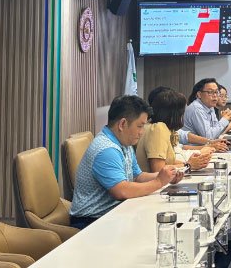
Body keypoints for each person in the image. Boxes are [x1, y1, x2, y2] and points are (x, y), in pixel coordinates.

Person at [70, 95, 181, 229]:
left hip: (113, 213)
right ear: (122, 124)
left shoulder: (124, 142)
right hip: (90, 221)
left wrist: (166, 176)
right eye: (139, 126)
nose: (142, 132)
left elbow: (137, 176)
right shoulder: (107, 150)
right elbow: (122, 191)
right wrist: (158, 182)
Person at [137, 87, 212, 173]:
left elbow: (168, 161)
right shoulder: (158, 129)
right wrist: (188, 165)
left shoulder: (160, 127)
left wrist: (192, 162)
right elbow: (158, 169)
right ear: (175, 114)